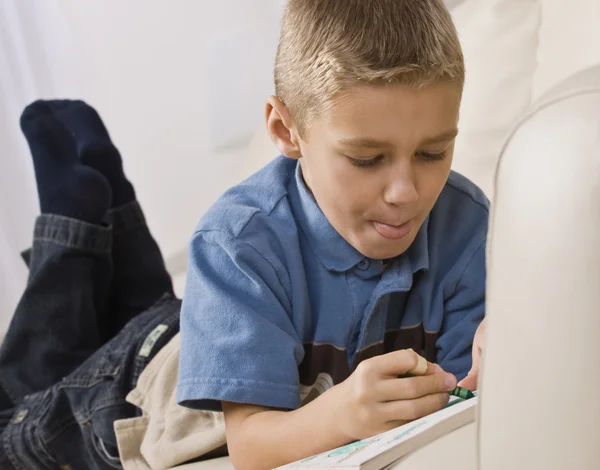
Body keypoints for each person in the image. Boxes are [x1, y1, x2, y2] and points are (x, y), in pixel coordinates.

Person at [176, 1, 487, 469]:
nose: (405, 193)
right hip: (145, 376)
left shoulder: (467, 225)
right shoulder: (233, 246)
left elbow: (465, 401)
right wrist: (341, 415)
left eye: (433, 152)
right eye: (366, 159)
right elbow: (250, 449)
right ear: (287, 130)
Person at [0, 100, 187, 469]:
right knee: (21, 414)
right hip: (163, 360)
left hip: (183, 328)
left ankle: (112, 218)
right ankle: (70, 218)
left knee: (141, 318)